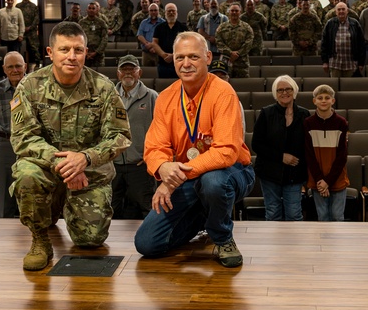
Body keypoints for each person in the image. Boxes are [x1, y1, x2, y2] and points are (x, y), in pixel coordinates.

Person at [10, 21, 132, 271]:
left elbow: (120, 136)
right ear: (50, 52)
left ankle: (65, 204)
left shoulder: (103, 87)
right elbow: (23, 138)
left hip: (89, 173)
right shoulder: (30, 86)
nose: (72, 56)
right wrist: (65, 164)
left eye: (78, 50)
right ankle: (40, 239)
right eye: (64, 49)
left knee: (91, 240)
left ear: (86, 52)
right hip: (45, 168)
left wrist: (85, 159)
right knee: (26, 175)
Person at [135, 32, 255, 267]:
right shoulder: (166, 98)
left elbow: (225, 152)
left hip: (232, 172)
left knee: (213, 181)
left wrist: (171, 180)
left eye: (193, 57)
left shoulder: (223, 93)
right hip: (188, 178)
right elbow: (154, 147)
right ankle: (204, 218)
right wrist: (162, 166)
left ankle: (222, 237)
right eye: (180, 58)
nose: (186, 64)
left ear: (208, 57)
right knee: (147, 244)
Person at [252, 75, 309, 221]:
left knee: (294, 214)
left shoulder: (304, 114)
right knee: (273, 213)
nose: (284, 93)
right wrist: (281, 157)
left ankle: (294, 245)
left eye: (288, 89)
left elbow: (308, 145)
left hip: (294, 173)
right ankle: (274, 244)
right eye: (280, 90)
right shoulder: (266, 113)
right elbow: (256, 144)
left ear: (294, 91)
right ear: (275, 94)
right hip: (270, 171)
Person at [112, 54, 158, 219]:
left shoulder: (152, 97)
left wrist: (149, 156)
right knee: (111, 210)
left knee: (148, 208)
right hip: (114, 165)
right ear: (118, 73)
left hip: (140, 165)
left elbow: (161, 129)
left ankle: (151, 243)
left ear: (140, 72)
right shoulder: (108, 96)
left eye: (132, 69)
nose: (128, 73)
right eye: (124, 69)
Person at [0, 51, 27, 218]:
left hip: (30, 143)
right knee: (4, 188)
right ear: (4, 69)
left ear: (25, 66)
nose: (15, 70)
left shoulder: (36, 87)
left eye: (18, 66)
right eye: (10, 67)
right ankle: (5, 224)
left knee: (30, 185)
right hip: (5, 143)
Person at [304, 84, 350, 221]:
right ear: (314, 101)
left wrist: (328, 181)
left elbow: (342, 156)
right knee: (322, 216)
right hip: (317, 179)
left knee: (337, 216)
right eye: (320, 98)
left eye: (327, 98)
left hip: (337, 178)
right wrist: (320, 180)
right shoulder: (308, 123)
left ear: (333, 101)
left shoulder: (341, 123)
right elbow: (309, 155)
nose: (323, 100)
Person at [321, 2, 366, 78]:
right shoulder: (330, 23)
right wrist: (325, 62)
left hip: (350, 63)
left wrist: (361, 63)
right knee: (335, 87)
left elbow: (361, 44)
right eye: (339, 9)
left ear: (347, 11)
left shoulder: (355, 23)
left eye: (343, 9)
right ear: (336, 12)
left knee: (348, 87)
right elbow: (324, 44)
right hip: (335, 63)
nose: (341, 11)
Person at [216, 3, 255, 78]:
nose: (234, 12)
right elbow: (219, 42)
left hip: (242, 63)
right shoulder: (222, 27)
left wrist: (238, 54)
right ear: (229, 12)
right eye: (232, 10)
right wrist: (230, 53)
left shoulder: (247, 27)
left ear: (240, 12)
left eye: (236, 11)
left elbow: (249, 43)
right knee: (226, 85)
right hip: (226, 62)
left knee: (242, 85)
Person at [151, 2, 186, 79]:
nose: (171, 13)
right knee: (164, 86)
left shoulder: (183, 27)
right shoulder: (159, 27)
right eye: (169, 11)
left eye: (173, 11)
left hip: (179, 63)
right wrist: (164, 55)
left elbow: (186, 45)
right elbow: (154, 43)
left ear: (177, 13)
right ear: (165, 13)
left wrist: (174, 55)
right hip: (163, 63)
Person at [79, 1, 109, 68]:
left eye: (93, 8)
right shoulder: (81, 22)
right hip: (84, 54)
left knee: (99, 76)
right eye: (89, 8)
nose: (91, 10)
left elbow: (105, 39)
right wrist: (84, 51)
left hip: (98, 55)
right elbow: (78, 38)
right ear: (87, 10)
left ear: (96, 10)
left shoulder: (101, 23)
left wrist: (96, 52)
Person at [16, 0, 41, 69]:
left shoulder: (33, 6)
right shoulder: (18, 6)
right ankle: (20, 63)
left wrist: (30, 27)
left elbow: (37, 18)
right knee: (21, 48)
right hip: (21, 31)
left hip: (32, 31)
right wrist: (22, 28)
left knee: (34, 47)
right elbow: (16, 18)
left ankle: (38, 63)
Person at [136, 1, 162, 68]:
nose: (153, 12)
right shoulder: (144, 23)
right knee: (146, 73)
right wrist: (148, 45)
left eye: (155, 10)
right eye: (151, 10)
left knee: (158, 72)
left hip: (159, 53)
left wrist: (154, 47)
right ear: (149, 11)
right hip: (146, 53)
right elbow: (140, 36)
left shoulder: (163, 23)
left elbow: (164, 37)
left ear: (158, 11)